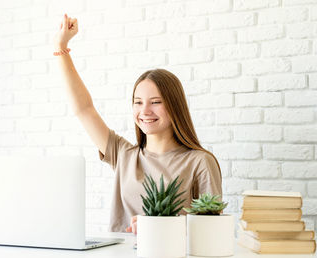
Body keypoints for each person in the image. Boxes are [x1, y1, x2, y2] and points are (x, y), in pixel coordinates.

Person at [54, 14, 222, 234]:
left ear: (174, 105)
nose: (144, 111)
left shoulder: (199, 162)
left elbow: (213, 232)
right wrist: (61, 47)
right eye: (138, 102)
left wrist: (156, 228)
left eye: (156, 102)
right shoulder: (124, 155)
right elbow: (83, 109)